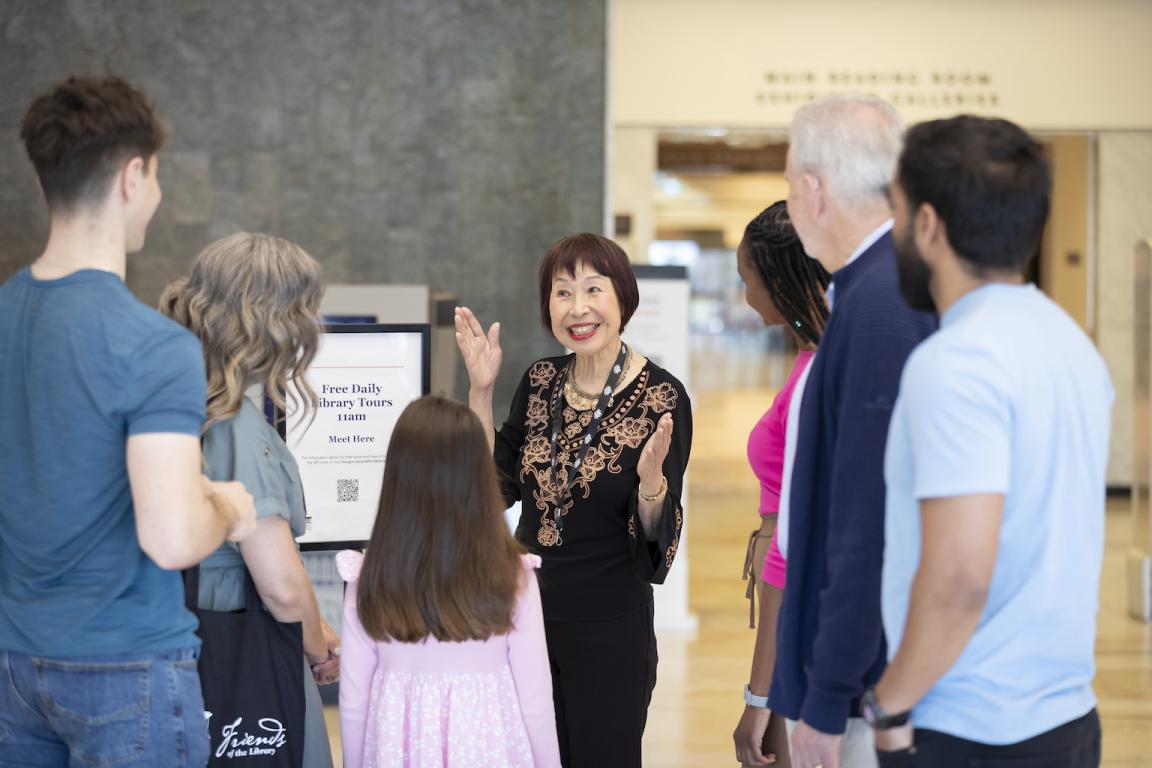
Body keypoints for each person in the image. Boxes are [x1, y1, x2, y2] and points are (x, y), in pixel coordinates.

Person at [0, 75, 256, 766]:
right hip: (125, 667)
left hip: (13, 663)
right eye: (158, 177)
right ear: (133, 176)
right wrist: (229, 507)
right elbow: (172, 539)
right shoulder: (153, 346)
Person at [864, 116, 1111, 767]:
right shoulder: (1070, 344)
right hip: (1066, 720)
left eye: (894, 211)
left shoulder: (956, 362)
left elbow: (959, 577)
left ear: (928, 225)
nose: (892, 233)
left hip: (965, 729)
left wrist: (888, 705)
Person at [455, 233, 693, 767]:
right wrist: (479, 393)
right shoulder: (539, 381)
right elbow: (488, 489)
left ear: (623, 299)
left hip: (609, 627)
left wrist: (653, 483)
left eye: (593, 289)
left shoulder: (663, 396)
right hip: (524, 618)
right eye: (562, 293)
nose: (578, 308)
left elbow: (654, 557)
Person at [768, 95, 937, 768]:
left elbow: (866, 525)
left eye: (787, 184)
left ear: (814, 190)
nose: (789, 201)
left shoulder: (880, 307)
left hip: (864, 692)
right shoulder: (878, 290)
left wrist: (828, 697)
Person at [160, 232, 339, 768]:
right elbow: (280, 584)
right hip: (249, 645)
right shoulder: (237, 426)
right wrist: (318, 641)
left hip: (185, 639)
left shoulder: (173, 397)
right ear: (274, 320)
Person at [337, 395, 561, 768]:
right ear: (477, 478)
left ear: (398, 476)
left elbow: (354, 703)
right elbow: (535, 701)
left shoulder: (368, 577)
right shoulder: (511, 576)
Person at [732, 201, 829, 767]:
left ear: (779, 279)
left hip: (804, 625)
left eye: (749, 280)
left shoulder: (814, 377)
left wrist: (759, 696)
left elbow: (784, 554)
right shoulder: (811, 356)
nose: (746, 296)